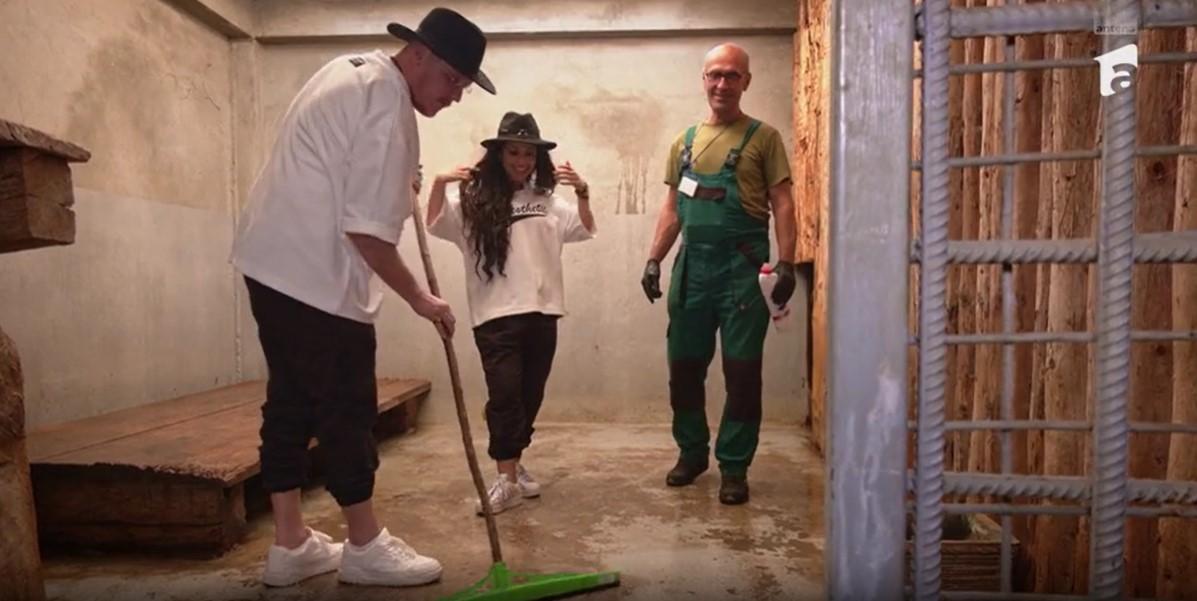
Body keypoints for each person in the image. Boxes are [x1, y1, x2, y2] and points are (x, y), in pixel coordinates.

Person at [229, 8, 494, 588]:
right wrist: (422, 299)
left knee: (290, 399)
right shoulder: (388, 106)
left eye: (463, 87)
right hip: (316, 278)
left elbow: (341, 168)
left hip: (271, 264)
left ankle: (291, 543)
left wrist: (401, 181)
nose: (455, 96)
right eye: (452, 79)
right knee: (347, 406)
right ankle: (366, 545)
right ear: (418, 54)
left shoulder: (350, 71)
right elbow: (368, 234)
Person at [640, 43, 797, 506]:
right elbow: (672, 209)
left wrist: (787, 261)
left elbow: (783, 203)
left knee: (742, 373)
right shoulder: (684, 142)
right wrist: (654, 258)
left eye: (732, 75)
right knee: (684, 369)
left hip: (742, 271)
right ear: (703, 80)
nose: (722, 84)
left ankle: (734, 466)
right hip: (692, 270)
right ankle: (692, 453)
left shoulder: (764, 138)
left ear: (746, 81)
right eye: (715, 75)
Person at [425, 111, 595, 515]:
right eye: (514, 152)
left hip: (544, 311)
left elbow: (585, 228)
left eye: (529, 154)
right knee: (504, 396)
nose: (522, 161)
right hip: (496, 316)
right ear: (499, 155)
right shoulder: (473, 201)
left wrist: (583, 191)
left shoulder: (547, 201)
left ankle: (514, 466)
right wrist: (437, 183)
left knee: (529, 396)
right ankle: (505, 480)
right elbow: (434, 222)